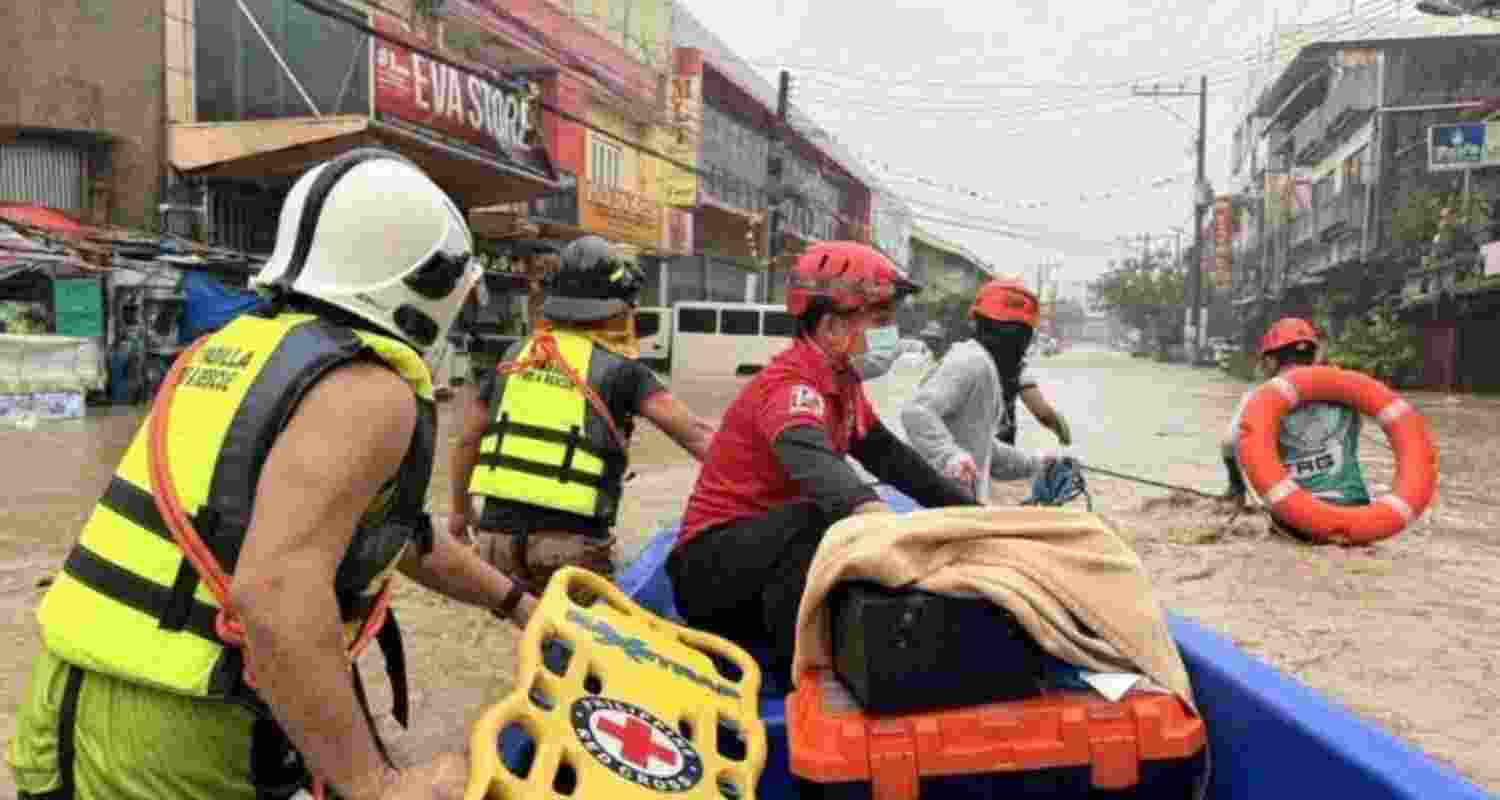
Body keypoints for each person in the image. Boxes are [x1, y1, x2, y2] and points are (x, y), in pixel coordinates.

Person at [7, 149, 537, 800]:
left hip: (66, 705)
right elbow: (276, 595)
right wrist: (375, 785)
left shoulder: (235, 348)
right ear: (427, 284)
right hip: (178, 732)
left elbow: (397, 533)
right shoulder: (370, 389)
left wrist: (515, 603)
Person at [668, 241, 978, 680]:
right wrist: (886, 528)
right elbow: (820, 469)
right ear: (832, 325)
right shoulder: (790, 386)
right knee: (827, 516)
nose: (891, 333)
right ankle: (791, 670)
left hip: (764, 560)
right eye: (881, 320)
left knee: (845, 515)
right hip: (709, 571)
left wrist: (975, 516)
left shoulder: (842, 384)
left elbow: (895, 461)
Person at [450, 235, 716, 591]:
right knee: (588, 640)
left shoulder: (516, 354)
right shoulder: (623, 370)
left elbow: (468, 438)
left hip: (496, 542)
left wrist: (459, 511)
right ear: (615, 311)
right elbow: (695, 435)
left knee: (534, 633)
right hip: (571, 546)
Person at [901, 279, 1070, 502]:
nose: (1013, 339)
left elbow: (985, 449)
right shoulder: (971, 362)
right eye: (1006, 330)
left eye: (1019, 332)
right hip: (936, 501)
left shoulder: (988, 366)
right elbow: (916, 412)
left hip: (962, 500)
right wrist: (950, 456)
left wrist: (1034, 463)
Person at [1220, 317, 1371, 527]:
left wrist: (1237, 487)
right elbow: (1356, 430)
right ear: (1313, 355)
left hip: (1298, 519)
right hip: (1357, 514)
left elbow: (1229, 443)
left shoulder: (1260, 395)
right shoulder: (1345, 388)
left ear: (1271, 361)